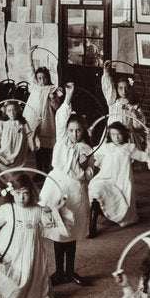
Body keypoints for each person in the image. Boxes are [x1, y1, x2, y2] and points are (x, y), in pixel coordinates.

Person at [0, 171, 60, 298]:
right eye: (17, 193)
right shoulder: (7, 209)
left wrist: (55, 209)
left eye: (25, 193)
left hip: (31, 252)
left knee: (28, 277)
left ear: (31, 193)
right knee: (10, 279)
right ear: (11, 193)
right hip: (10, 251)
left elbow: (50, 223)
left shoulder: (37, 210)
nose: (22, 198)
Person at [40, 84, 95, 286]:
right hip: (57, 186)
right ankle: (59, 271)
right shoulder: (62, 142)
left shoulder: (87, 149)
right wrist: (69, 97)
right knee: (58, 229)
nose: (74, 134)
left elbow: (91, 170)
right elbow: (61, 118)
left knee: (71, 230)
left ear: (83, 131)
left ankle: (70, 270)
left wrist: (84, 172)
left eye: (78, 130)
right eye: (71, 130)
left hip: (76, 190)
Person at [88, 122, 150, 238]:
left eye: (119, 134)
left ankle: (107, 212)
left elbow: (146, 157)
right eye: (113, 134)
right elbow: (90, 151)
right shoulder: (106, 147)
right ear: (109, 135)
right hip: (105, 179)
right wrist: (89, 136)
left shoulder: (129, 148)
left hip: (120, 182)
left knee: (120, 202)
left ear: (124, 134)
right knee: (96, 190)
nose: (117, 137)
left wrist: (149, 142)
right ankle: (92, 224)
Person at [23, 66, 58, 173]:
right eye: (39, 78)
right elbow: (30, 71)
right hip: (34, 119)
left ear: (48, 77)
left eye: (44, 78)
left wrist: (53, 99)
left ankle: (46, 169)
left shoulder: (52, 89)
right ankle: (39, 170)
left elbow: (57, 107)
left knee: (46, 147)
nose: (42, 80)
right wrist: (30, 53)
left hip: (47, 120)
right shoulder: (35, 87)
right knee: (37, 145)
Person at [0, 99, 34, 174]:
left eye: (14, 110)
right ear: (6, 112)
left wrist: (32, 148)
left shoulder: (23, 124)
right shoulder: (2, 124)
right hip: (5, 152)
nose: (12, 113)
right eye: (9, 111)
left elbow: (29, 137)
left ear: (17, 111)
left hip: (18, 154)